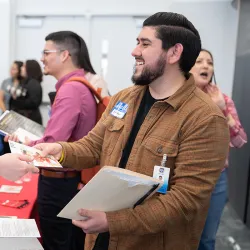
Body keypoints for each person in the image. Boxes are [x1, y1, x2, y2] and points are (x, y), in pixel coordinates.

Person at [34, 12, 230, 250]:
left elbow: (184, 201)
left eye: (145, 44)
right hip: (101, 237)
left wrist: (113, 222)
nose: (134, 51)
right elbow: (93, 146)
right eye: (138, 42)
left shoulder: (205, 118)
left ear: (174, 53)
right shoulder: (125, 98)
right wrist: (59, 150)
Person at [6, 31, 100, 250]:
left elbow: (53, 142)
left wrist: (21, 148)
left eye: (46, 52)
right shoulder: (79, 86)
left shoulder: (71, 90)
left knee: (58, 242)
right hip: (69, 179)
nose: (42, 58)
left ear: (64, 54)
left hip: (60, 182)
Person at [190, 49, 247, 250]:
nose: (206, 66)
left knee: (206, 239)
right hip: (182, 177)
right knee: (178, 237)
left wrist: (222, 110)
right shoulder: (177, 97)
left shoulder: (222, 99)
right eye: (199, 61)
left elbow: (240, 140)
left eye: (210, 62)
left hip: (216, 178)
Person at [9, 60, 43, 125]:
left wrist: (17, 101)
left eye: (24, 66)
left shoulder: (33, 83)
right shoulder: (25, 82)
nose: (21, 68)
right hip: (25, 119)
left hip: (30, 120)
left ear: (30, 69)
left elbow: (34, 103)